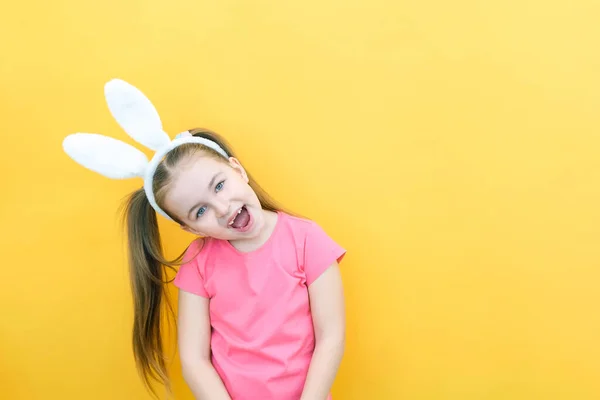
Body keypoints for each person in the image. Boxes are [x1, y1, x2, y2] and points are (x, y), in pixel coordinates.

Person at [62, 79, 347, 400]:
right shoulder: (198, 263)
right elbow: (194, 360)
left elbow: (331, 336)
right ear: (191, 228)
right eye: (200, 212)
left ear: (236, 169)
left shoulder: (307, 240)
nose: (222, 208)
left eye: (219, 185)